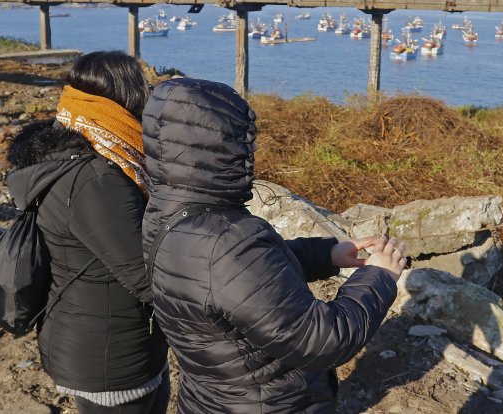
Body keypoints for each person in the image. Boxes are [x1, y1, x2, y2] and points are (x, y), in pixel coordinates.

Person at [141, 77, 407, 413]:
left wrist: (325, 255)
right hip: (270, 404)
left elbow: (240, 283)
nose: (251, 150)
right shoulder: (225, 240)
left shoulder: (166, 211)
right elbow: (322, 339)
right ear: (214, 148)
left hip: (213, 399)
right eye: (241, 140)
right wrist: (379, 277)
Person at [6, 51, 169, 413]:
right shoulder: (95, 180)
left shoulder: (76, 147)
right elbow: (147, 278)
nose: (149, 95)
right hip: (112, 357)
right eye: (144, 87)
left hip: (102, 335)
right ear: (126, 96)